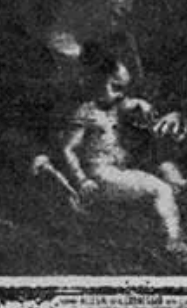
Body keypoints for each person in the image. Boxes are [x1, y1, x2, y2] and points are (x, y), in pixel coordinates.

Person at [58, 42, 187, 262]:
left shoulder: (115, 105)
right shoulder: (86, 113)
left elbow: (130, 104)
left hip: (118, 170)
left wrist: (142, 104)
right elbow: (68, 149)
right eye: (116, 87)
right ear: (95, 81)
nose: (121, 95)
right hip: (101, 174)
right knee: (161, 189)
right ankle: (174, 244)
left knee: (170, 180)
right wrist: (82, 180)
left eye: (124, 89)